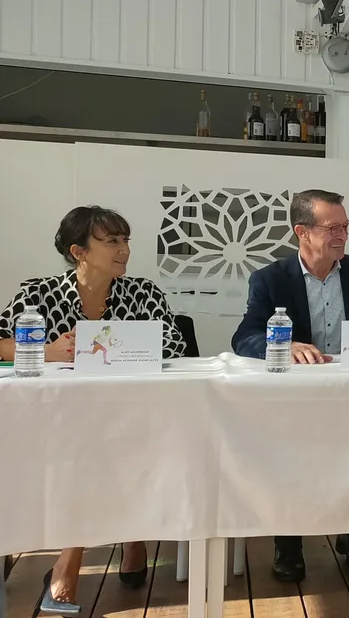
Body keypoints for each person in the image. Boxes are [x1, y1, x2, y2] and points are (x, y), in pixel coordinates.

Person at [0, 206, 187, 613]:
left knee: (104, 441)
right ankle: (114, 544)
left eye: (126, 241)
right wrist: (46, 351)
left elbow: (174, 344)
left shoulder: (143, 292)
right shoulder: (38, 294)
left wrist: (113, 346)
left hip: (133, 415)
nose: (124, 250)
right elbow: (1, 342)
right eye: (112, 241)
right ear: (78, 251)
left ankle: (76, 558)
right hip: (55, 419)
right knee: (86, 444)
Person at [231, 189, 349, 582]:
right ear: (302, 232)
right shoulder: (270, 279)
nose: (342, 235)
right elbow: (244, 337)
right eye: (333, 228)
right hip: (298, 397)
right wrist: (284, 346)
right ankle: (289, 545)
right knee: (290, 461)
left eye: (346, 227)